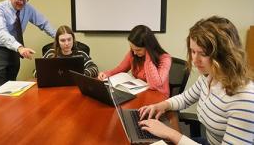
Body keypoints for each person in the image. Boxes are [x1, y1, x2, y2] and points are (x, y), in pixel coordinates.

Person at [138, 16, 254, 145]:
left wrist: (170, 133)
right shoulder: (208, 77)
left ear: (225, 54)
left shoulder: (245, 100)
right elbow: (184, 99)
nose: (195, 60)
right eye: (193, 51)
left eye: (203, 54)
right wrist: (161, 106)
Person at [0, 0, 56, 89]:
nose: (21, 2)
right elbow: (1, 32)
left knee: (12, 82)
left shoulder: (28, 8)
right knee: (0, 86)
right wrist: (19, 47)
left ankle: (11, 106)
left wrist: (58, 37)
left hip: (14, 49)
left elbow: (44, 23)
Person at [98, 25, 171, 98]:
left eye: (138, 50)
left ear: (149, 47)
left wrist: (148, 58)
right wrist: (106, 74)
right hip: (140, 93)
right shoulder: (133, 53)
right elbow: (120, 68)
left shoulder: (165, 58)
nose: (135, 53)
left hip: (158, 97)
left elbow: (155, 85)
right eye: (132, 49)